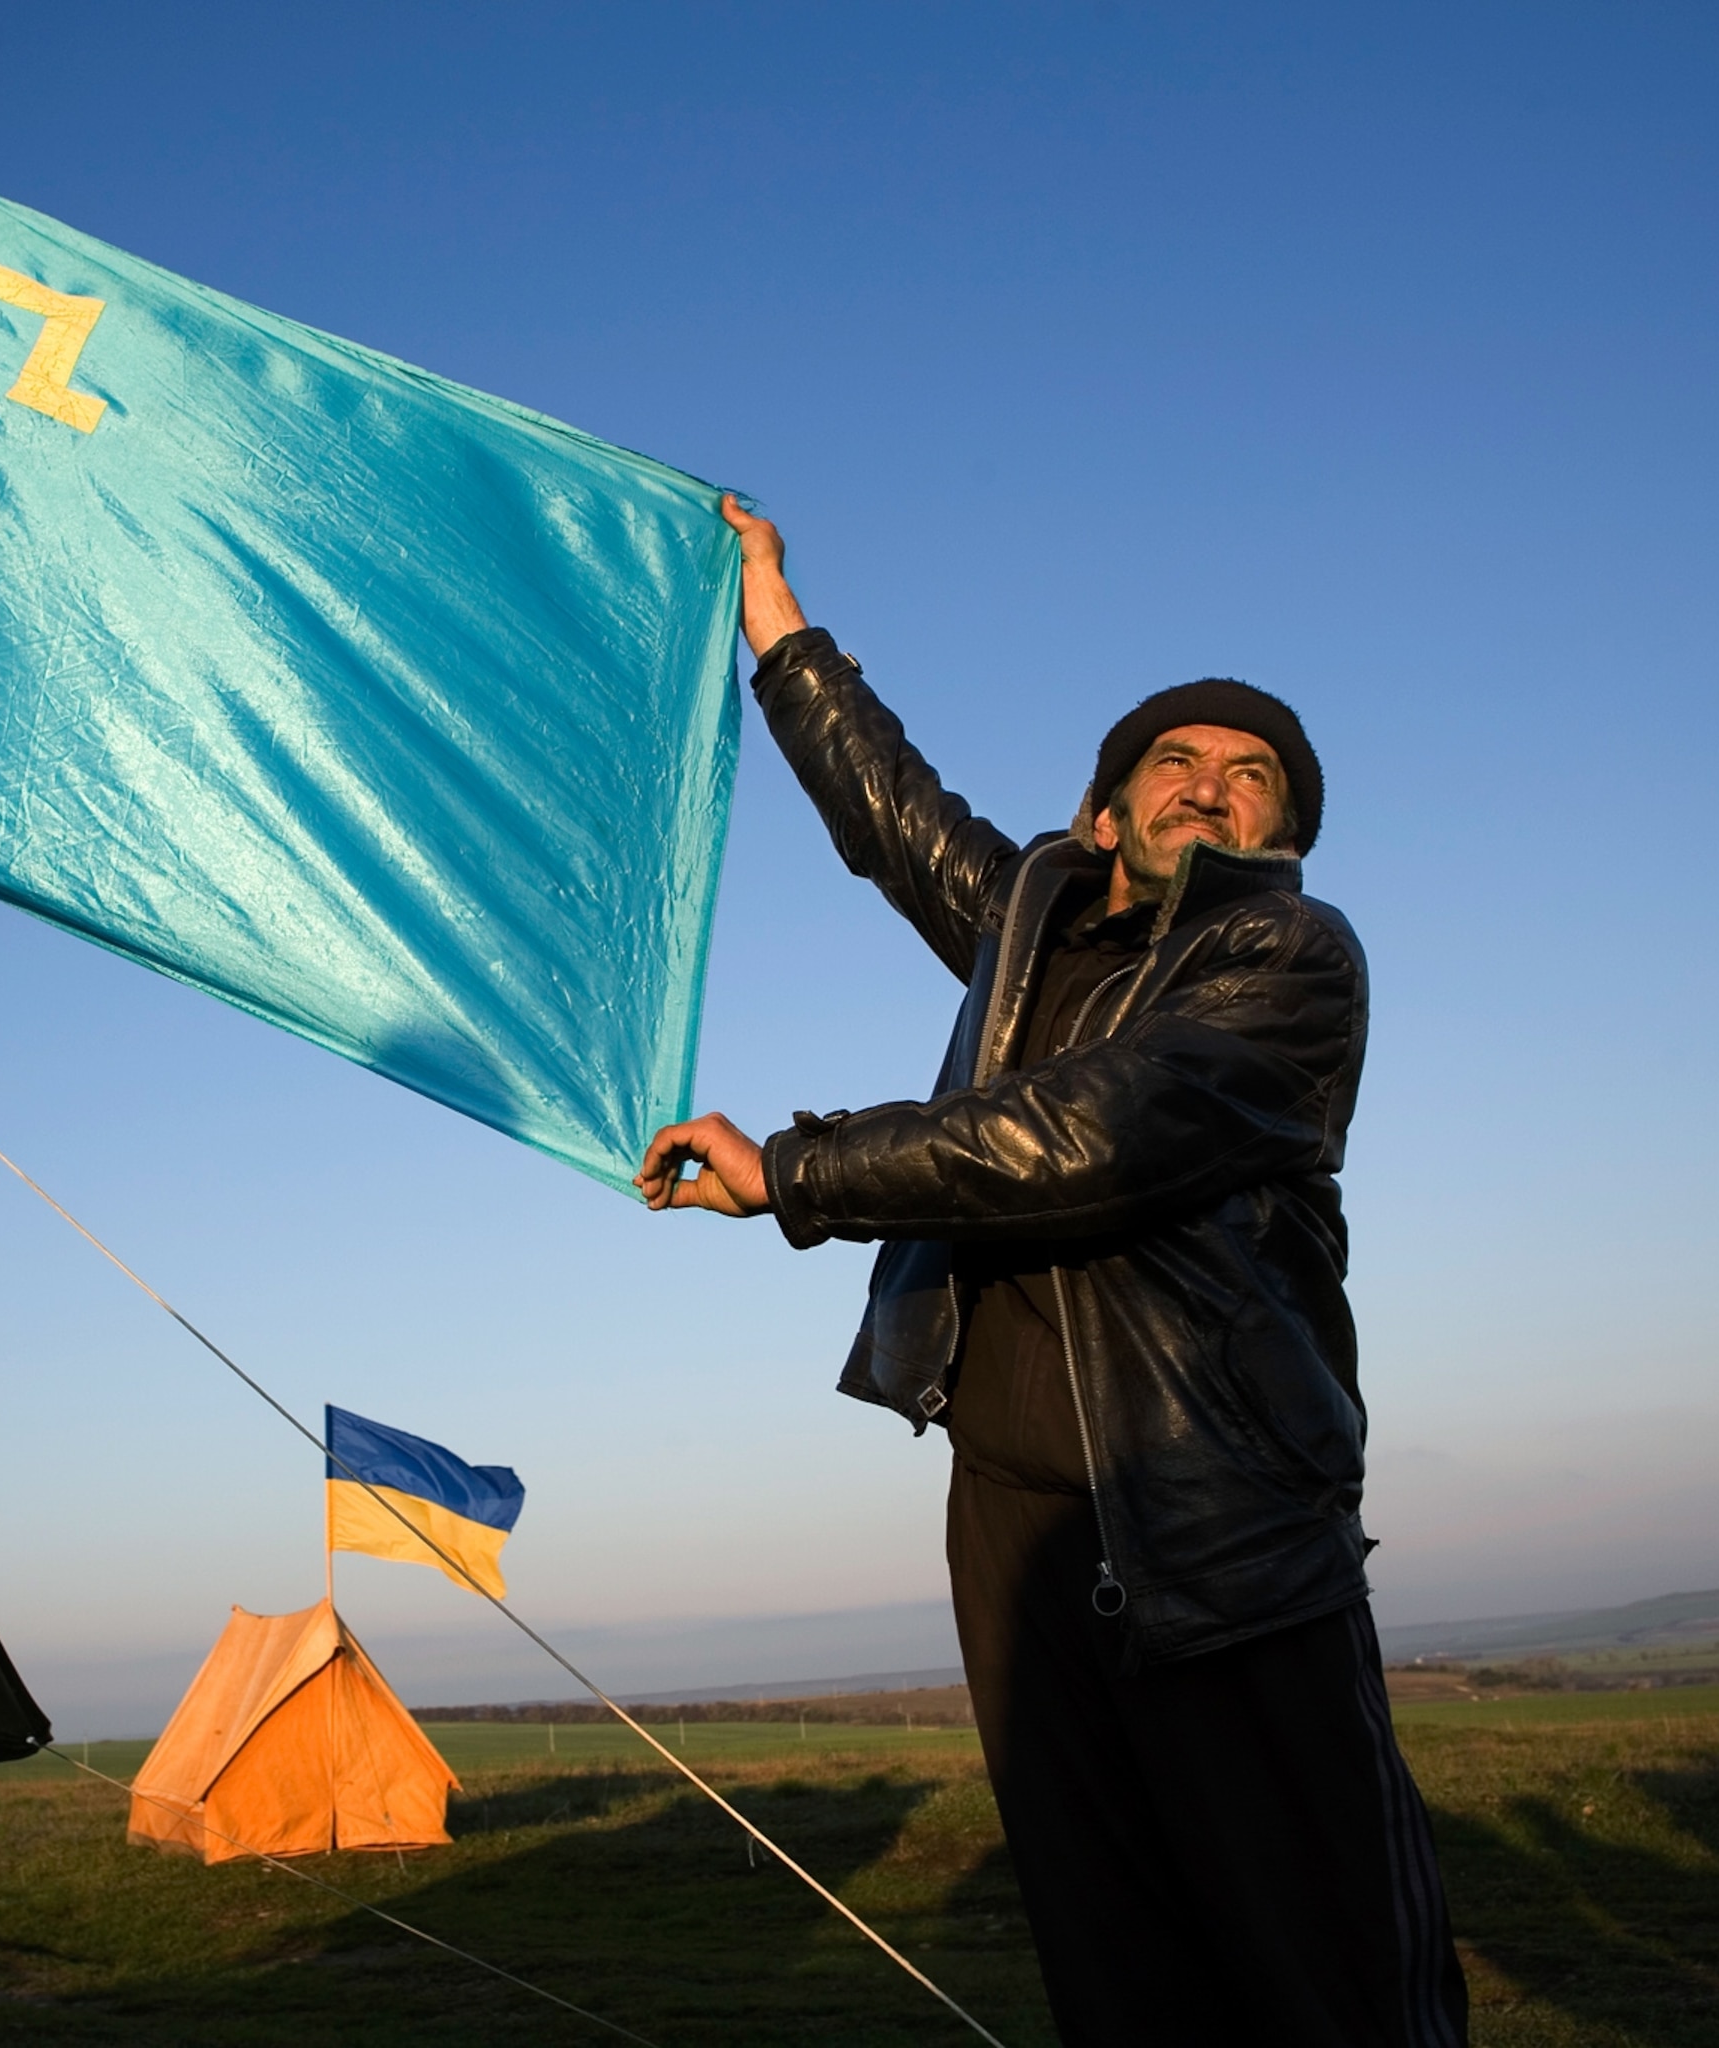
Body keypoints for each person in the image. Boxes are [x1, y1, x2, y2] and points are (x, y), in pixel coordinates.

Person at [637, 496, 1467, 2046]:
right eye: (1178, 762)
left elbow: (1099, 1131)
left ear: (1276, 841)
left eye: (1251, 780)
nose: (1212, 790)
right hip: (1015, 1532)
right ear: (1104, 815)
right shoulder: (1032, 927)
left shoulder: (1291, 964)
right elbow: (892, 813)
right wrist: (771, 613)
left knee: (1329, 1961)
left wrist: (800, 1171)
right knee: (1116, 1960)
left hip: (1218, 1523)